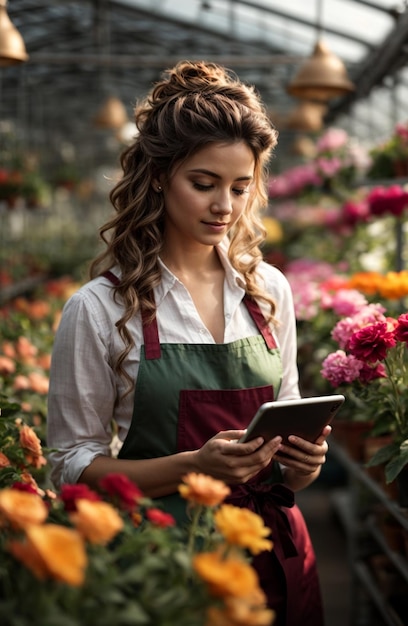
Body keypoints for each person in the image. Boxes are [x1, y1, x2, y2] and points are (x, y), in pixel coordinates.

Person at [47, 60, 330, 626]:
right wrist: (192, 467)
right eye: (203, 184)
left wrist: (305, 466)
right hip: (164, 556)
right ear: (158, 176)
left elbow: (290, 421)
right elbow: (70, 463)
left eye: (240, 187)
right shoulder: (101, 308)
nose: (224, 205)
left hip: (272, 548)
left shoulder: (269, 290)